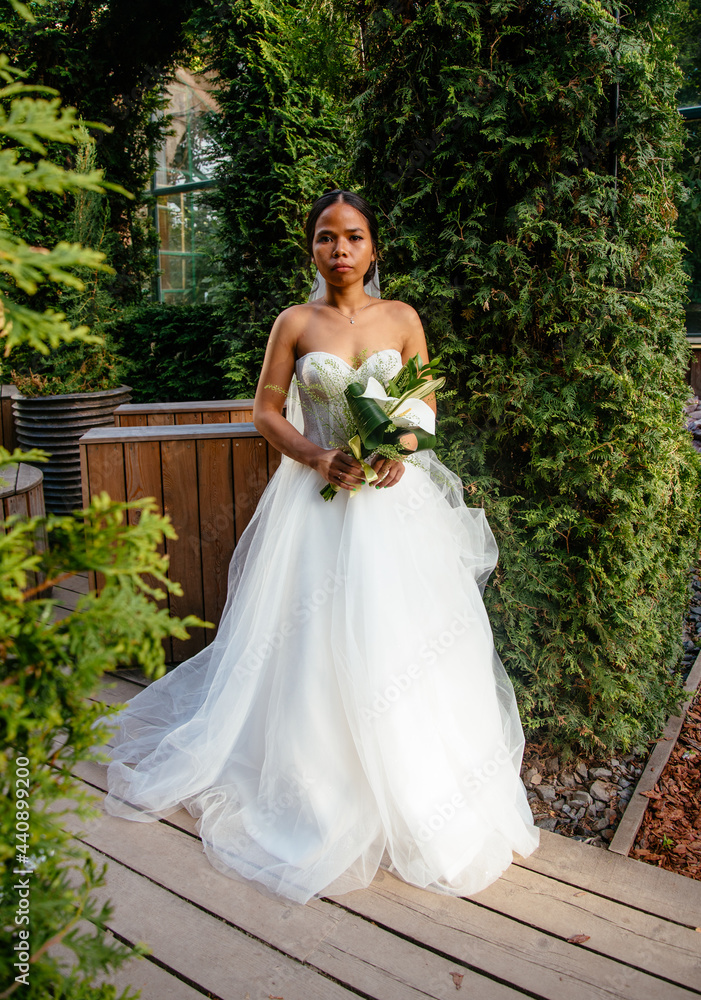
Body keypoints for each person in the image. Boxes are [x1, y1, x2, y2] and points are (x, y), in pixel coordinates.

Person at [96, 188, 540, 906]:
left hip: (397, 504)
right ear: (312, 248)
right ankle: (318, 787)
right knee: (307, 640)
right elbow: (264, 411)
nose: (340, 250)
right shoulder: (294, 323)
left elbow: (424, 401)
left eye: (354, 237)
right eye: (326, 238)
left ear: (374, 248)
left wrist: (401, 451)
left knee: (403, 636)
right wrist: (316, 456)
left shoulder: (402, 318)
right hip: (318, 499)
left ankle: (418, 783)